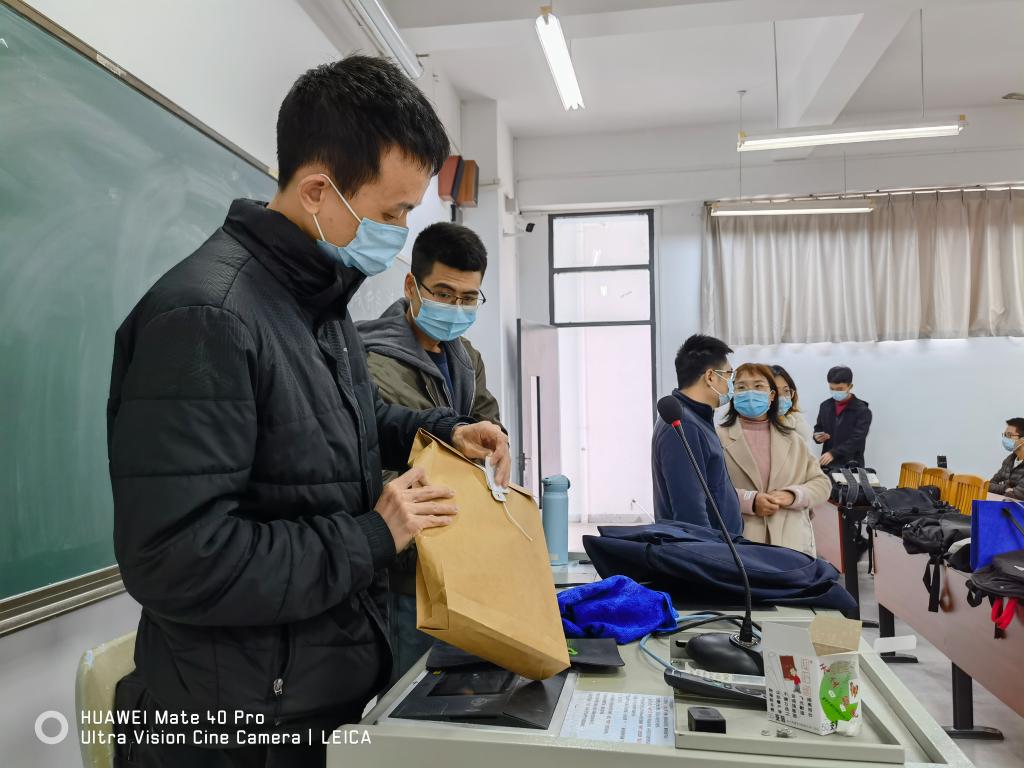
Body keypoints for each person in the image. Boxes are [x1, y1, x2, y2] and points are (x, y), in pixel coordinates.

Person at [106, 56, 510, 767]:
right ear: (320, 191)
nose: (399, 232)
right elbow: (179, 561)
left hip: (309, 693)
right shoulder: (208, 317)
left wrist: (446, 430)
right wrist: (373, 535)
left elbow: (348, 423)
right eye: (393, 213)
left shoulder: (315, 304)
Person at [357, 221, 503, 680]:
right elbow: (366, 466)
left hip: (464, 560)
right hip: (408, 571)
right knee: (410, 693)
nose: (455, 308)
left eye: (468, 298)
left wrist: (495, 440)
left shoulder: (465, 358)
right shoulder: (369, 360)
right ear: (411, 286)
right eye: (443, 293)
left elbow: (486, 420)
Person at [718, 364, 831, 556]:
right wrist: (750, 501)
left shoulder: (793, 439)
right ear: (732, 394)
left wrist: (792, 495)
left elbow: (822, 484)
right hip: (741, 543)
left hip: (792, 543)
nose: (750, 393)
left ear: (771, 395)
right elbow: (709, 488)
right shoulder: (717, 438)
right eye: (741, 387)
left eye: (758, 386)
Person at [652, 334, 742, 534]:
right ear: (710, 376)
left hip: (719, 545)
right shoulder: (683, 425)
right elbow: (690, 509)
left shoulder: (697, 419)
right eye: (729, 374)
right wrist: (709, 550)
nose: (732, 382)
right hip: (708, 548)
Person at [813, 365, 872, 470]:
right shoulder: (825, 406)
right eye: (832, 388)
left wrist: (834, 453)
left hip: (852, 465)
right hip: (827, 465)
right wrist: (817, 437)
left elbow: (857, 439)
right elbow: (818, 428)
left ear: (850, 386)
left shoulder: (862, 411)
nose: (835, 392)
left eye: (840, 389)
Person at [770, 364, 815, 450]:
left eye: (786, 390)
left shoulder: (795, 420)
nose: (782, 397)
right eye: (776, 392)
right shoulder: (760, 427)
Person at [989, 418, 1024, 500]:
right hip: (1004, 504)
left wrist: (1009, 491)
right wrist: (1005, 488)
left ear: (1022, 440)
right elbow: (989, 485)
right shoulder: (1009, 460)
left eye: (1009, 435)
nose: (1005, 438)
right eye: (1004, 435)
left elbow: (1017, 494)